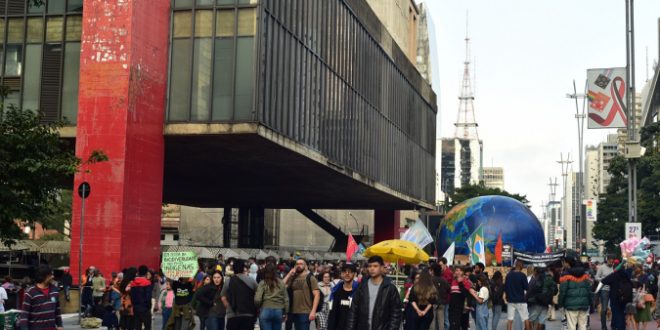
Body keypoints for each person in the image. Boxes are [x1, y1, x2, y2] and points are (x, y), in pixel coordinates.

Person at [346, 255, 403, 330]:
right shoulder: (362, 287)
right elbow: (353, 311)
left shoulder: (390, 288)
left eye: (375, 266)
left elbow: (396, 313)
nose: (372, 268)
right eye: (370, 266)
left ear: (382, 267)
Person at [18, 265, 63, 330]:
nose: (53, 277)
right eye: (51, 275)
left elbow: (57, 311)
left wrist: (60, 325)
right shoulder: (30, 292)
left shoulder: (55, 291)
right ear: (44, 276)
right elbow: (24, 314)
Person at [283, 258, 320, 330]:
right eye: (297, 264)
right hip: (292, 311)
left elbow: (317, 295)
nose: (298, 265)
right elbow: (282, 286)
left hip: (305, 312)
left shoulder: (310, 278)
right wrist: (290, 273)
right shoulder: (293, 278)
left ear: (306, 266)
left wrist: (313, 311)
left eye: (301, 264)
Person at [221, 259, 259, 330]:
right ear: (243, 268)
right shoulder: (252, 281)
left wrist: (228, 306)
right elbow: (259, 295)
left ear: (233, 269)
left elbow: (223, 297)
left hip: (232, 315)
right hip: (249, 315)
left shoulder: (228, 281)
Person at [558, 259, 592, 330]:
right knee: (583, 325)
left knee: (571, 325)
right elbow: (589, 290)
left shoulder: (565, 275)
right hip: (584, 304)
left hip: (570, 305)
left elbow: (563, 292)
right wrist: (590, 303)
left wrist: (560, 304)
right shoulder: (585, 275)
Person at [255, 264, 289, 330]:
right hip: (278, 311)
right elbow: (286, 298)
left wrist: (258, 307)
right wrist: (286, 312)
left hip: (265, 310)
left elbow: (257, 299)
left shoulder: (263, 283)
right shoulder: (281, 283)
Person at [327, 263, 359, 330]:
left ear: (355, 274)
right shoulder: (335, 291)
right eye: (344, 271)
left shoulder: (360, 291)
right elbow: (332, 314)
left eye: (350, 272)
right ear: (341, 274)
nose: (347, 274)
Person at [602, 261, 631, 330]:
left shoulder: (613, 275)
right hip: (625, 297)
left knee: (616, 314)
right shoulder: (626, 274)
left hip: (615, 298)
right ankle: (618, 327)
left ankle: (617, 327)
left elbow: (604, 281)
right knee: (622, 313)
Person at [504, 260, 530, 330]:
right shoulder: (523, 275)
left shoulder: (508, 275)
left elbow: (505, 287)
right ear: (521, 266)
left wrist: (507, 297)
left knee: (510, 320)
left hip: (511, 300)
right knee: (526, 319)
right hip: (521, 300)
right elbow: (527, 288)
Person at [429, 263, 450, 330]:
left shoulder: (430, 280)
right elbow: (449, 289)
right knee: (441, 322)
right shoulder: (444, 280)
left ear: (432, 270)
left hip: (432, 303)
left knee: (432, 321)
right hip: (442, 303)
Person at [596, 258, 614, 330]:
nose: (611, 262)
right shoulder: (601, 267)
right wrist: (604, 280)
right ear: (607, 260)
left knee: (614, 308)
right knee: (604, 309)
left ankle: (613, 325)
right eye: (610, 261)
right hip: (604, 289)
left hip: (613, 289)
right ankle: (604, 327)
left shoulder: (614, 267)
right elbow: (596, 277)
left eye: (612, 261)